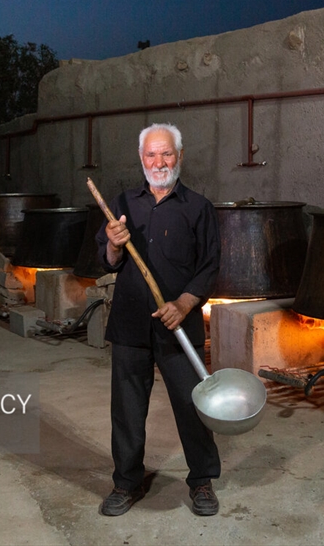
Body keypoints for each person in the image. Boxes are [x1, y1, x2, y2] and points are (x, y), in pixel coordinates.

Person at [95, 122, 222, 517]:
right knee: (128, 407)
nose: (159, 161)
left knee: (191, 404)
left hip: (179, 326)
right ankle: (126, 482)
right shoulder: (123, 203)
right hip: (131, 323)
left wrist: (184, 304)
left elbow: (210, 266)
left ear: (179, 156)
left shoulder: (199, 207)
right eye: (151, 154)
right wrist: (114, 247)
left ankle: (201, 481)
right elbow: (106, 259)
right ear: (141, 158)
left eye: (166, 153)